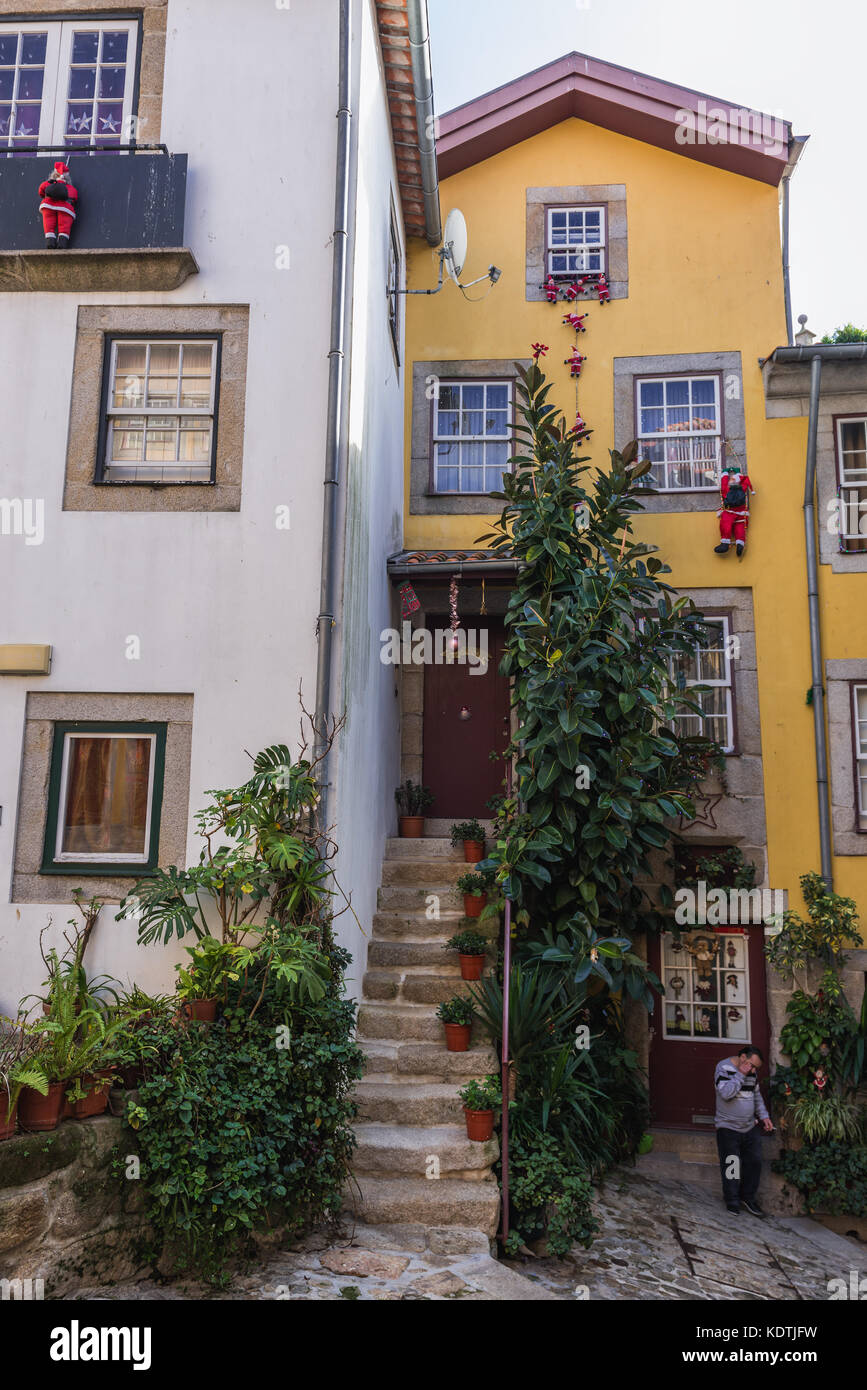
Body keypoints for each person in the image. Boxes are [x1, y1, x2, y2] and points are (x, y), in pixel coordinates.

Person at [714, 1044, 773, 1217]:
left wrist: (765, 1117)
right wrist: (741, 1074)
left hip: (749, 1126)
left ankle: (748, 1198)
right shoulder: (723, 1067)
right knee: (732, 1164)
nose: (754, 1070)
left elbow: (756, 1096)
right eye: (752, 1065)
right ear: (742, 1058)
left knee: (754, 1162)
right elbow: (726, 1093)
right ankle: (732, 1200)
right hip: (728, 1127)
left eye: (756, 1068)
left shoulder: (752, 1073)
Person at [38, 161, 78, 249]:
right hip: (65, 207)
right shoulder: (70, 187)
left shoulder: (49, 183)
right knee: (64, 225)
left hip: (48, 205)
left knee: (48, 223)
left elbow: (41, 191)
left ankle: (50, 242)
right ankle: (62, 243)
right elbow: (74, 197)